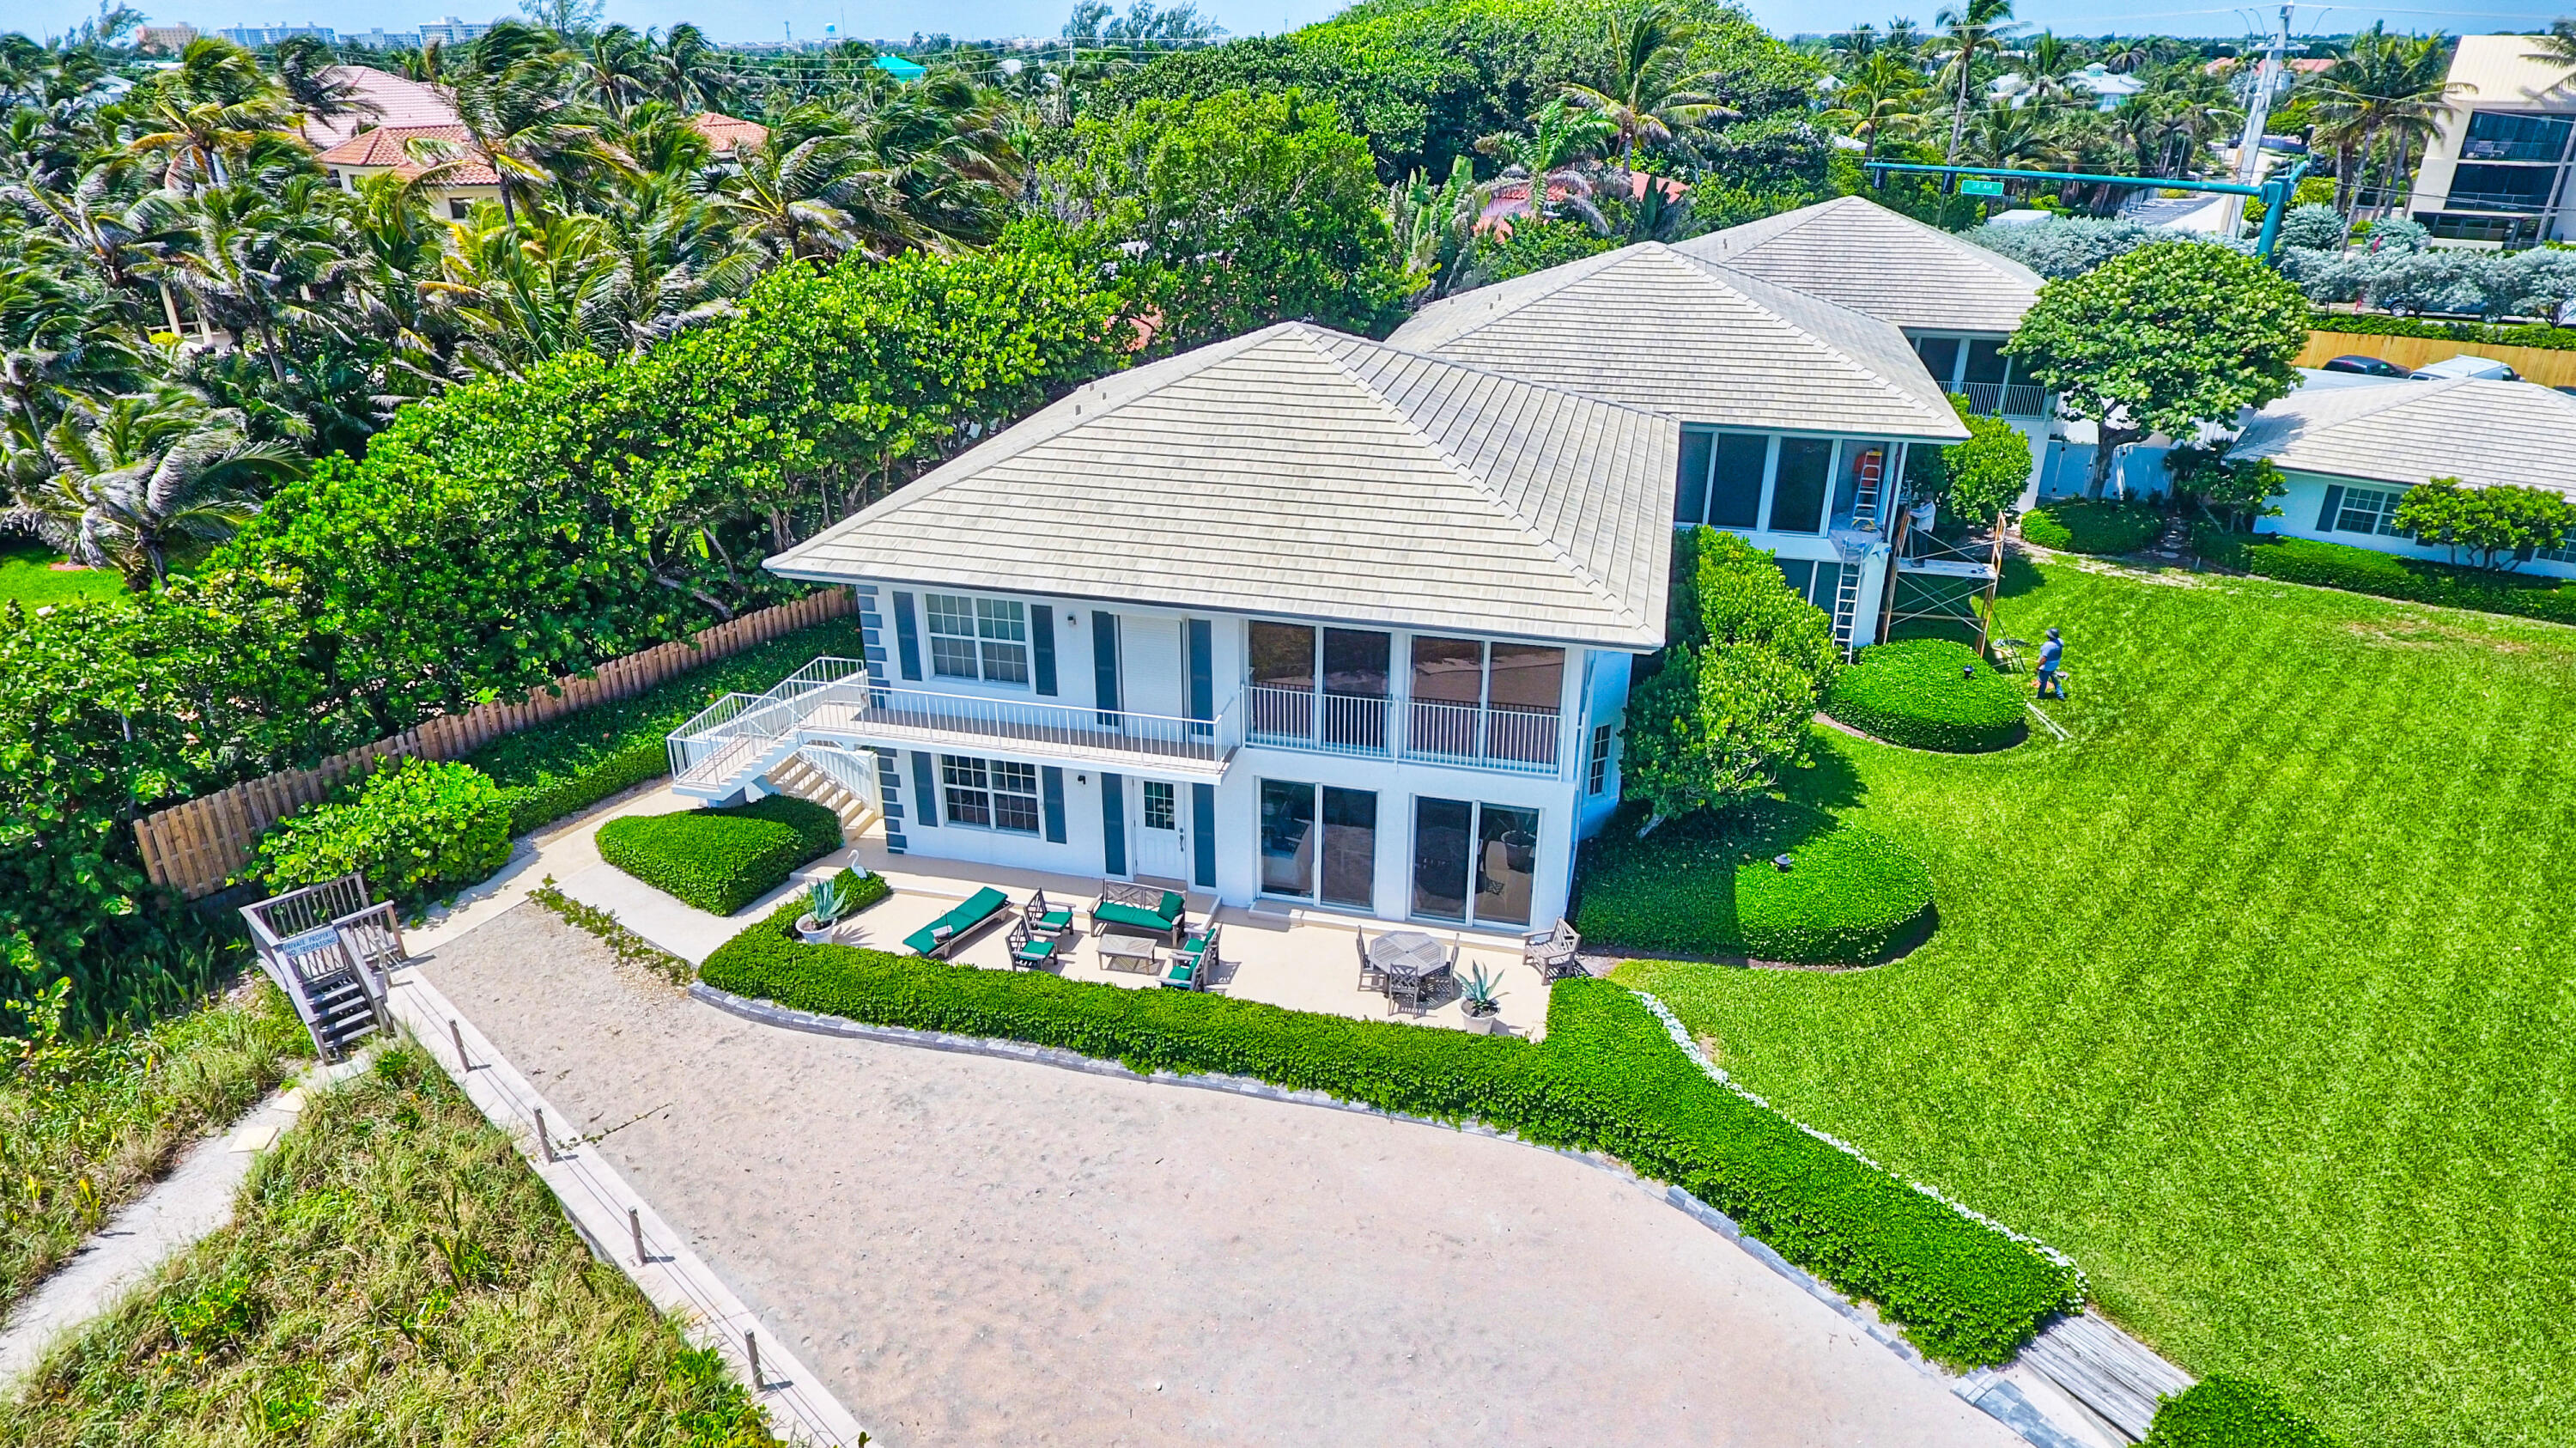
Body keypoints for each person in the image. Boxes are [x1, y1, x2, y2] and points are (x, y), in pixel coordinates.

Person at [2034, 626, 2066, 700]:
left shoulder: (2048, 645)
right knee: (2055, 679)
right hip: (2055, 664)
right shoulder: (2060, 641)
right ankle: (2060, 694)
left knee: (2043, 681)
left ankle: (2040, 696)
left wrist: (2037, 667)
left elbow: (2044, 659)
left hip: (2047, 666)